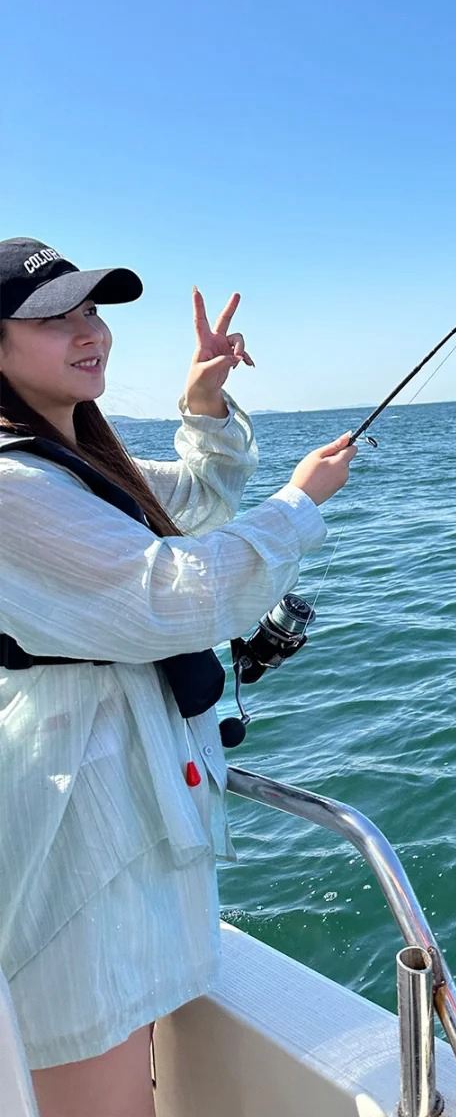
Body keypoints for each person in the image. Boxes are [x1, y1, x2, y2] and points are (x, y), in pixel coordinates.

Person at [0, 236, 358, 1117]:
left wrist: (202, 399)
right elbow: (178, 595)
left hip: (116, 792)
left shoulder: (68, 455)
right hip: (70, 818)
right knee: (94, 1055)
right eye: (53, 318)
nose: (88, 332)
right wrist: (300, 504)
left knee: (128, 1037)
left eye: (91, 311)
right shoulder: (12, 484)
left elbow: (190, 503)